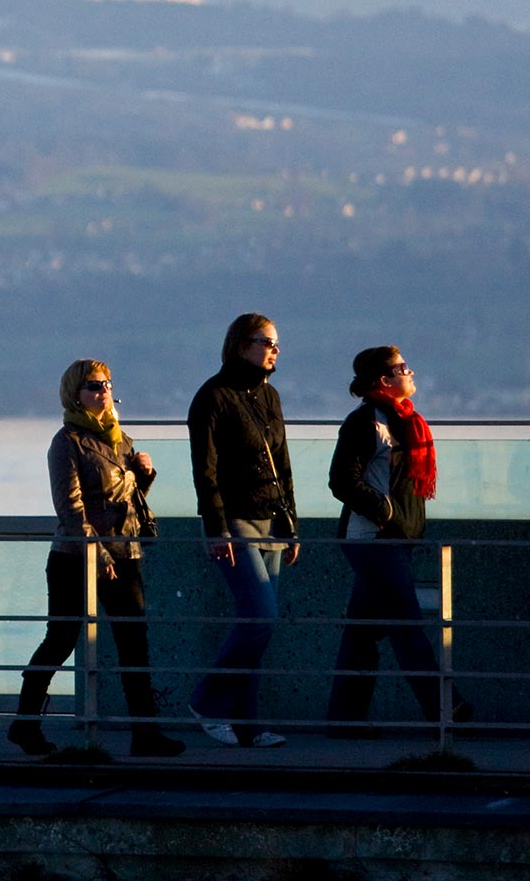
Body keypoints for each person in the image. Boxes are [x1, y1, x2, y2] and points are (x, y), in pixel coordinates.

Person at [7, 359, 184, 758]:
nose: (103, 391)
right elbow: (70, 509)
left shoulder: (120, 439)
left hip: (124, 554)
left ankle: (146, 734)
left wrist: (145, 476)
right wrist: (96, 551)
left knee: (134, 642)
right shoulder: (66, 441)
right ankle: (25, 722)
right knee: (61, 639)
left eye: (107, 384)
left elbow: (126, 501)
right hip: (74, 557)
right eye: (93, 385)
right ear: (75, 393)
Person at [325, 345, 473, 730]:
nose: (411, 372)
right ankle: (447, 711)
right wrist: (384, 511)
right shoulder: (364, 423)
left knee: (363, 633)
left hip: (396, 540)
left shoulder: (408, 422)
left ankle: (343, 720)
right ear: (383, 380)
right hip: (374, 540)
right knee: (406, 626)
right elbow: (342, 480)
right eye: (402, 367)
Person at [186, 312, 301, 748]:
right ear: (239, 344)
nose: (274, 349)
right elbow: (206, 472)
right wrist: (215, 529)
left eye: (276, 342)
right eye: (265, 341)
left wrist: (292, 522)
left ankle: (248, 725)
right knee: (259, 615)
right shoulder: (212, 398)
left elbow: (282, 463)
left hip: (272, 521)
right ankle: (208, 701)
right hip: (234, 519)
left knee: (259, 625)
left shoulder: (269, 396)